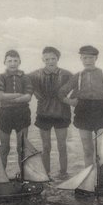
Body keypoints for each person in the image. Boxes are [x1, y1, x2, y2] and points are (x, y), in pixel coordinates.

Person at [58, 45, 103, 167]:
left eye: (91, 58)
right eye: (85, 58)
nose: (88, 61)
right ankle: (89, 179)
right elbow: (61, 93)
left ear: (96, 58)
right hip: (83, 111)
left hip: (102, 111)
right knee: (88, 149)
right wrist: (71, 102)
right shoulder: (78, 76)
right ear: (81, 59)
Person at [28, 47, 72, 177]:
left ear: (58, 59)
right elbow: (24, 81)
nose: (50, 61)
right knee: (46, 146)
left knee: (62, 146)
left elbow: (77, 87)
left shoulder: (67, 74)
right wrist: (35, 92)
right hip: (44, 113)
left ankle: (63, 174)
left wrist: (70, 99)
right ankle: (46, 174)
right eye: (47, 59)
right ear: (43, 59)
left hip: (62, 113)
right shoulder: (35, 74)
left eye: (53, 58)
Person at [0, 50, 33, 169]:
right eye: (10, 61)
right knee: (4, 147)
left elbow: (28, 97)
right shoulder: (0, 77)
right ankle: (1, 178)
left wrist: (10, 98)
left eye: (15, 60)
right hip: (5, 114)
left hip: (22, 113)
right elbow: (1, 96)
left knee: (21, 148)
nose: (13, 63)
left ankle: (22, 177)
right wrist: (18, 95)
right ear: (5, 62)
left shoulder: (25, 77)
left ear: (19, 62)